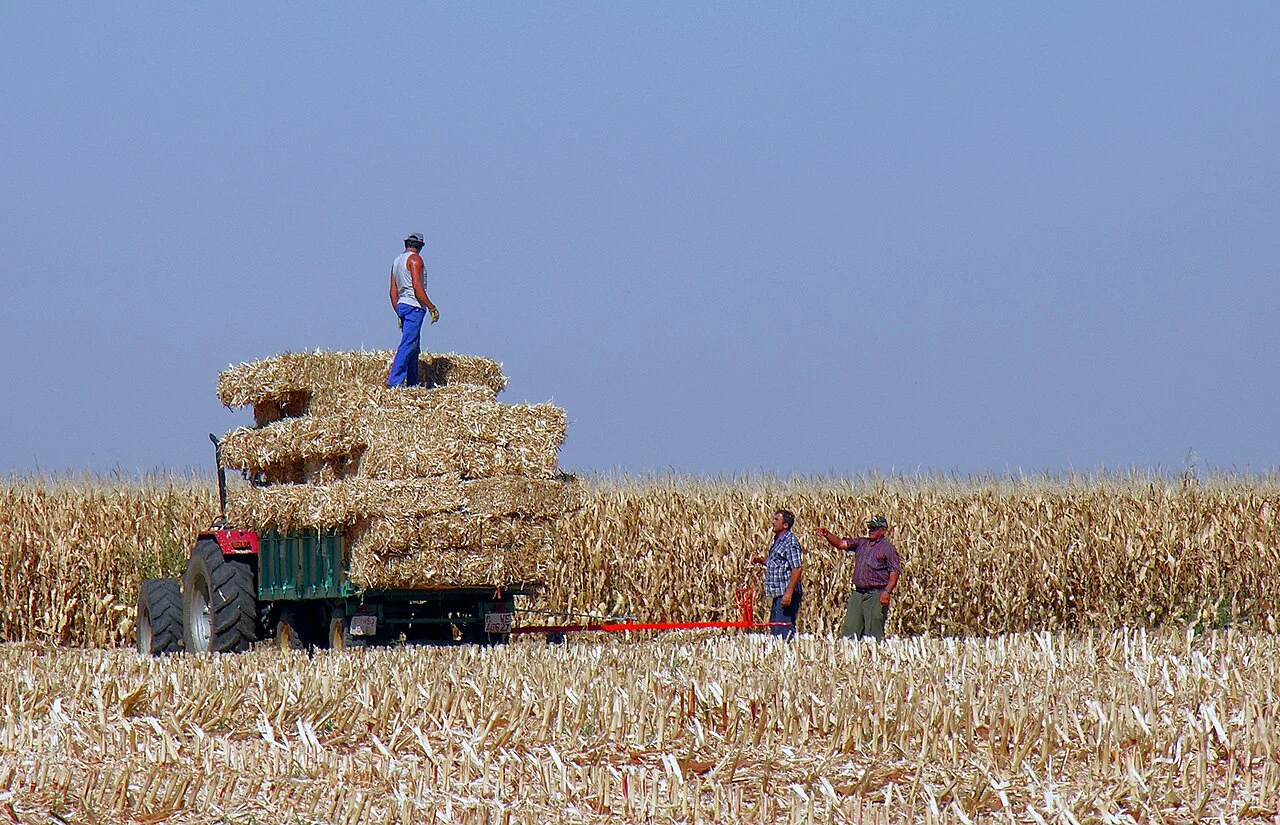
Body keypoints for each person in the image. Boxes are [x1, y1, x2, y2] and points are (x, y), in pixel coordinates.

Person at [816, 515, 900, 642]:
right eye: (870, 527)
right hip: (858, 594)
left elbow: (894, 571)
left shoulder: (888, 549)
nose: (870, 530)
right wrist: (827, 534)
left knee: (874, 632)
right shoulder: (862, 543)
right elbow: (840, 544)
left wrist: (887, 591)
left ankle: (875, 656)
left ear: (883, 530)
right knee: (850, 631)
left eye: (874, 527)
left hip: (876, 594)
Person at [387, 232, 440, 387]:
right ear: (420, 246)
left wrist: (398, 312)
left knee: (414, 348)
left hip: (402, 305)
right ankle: (394, 382)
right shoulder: (415, 260)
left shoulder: (397, 262)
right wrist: (431, 307)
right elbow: (417, 288)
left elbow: (392, 293)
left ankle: (413, 384)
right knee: (408, 344)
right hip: (414, 306)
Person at [750, 509, 803, 640]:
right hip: (777, 593)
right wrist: (761, 561)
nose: (772, 522)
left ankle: (787, 656)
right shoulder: (778, 540)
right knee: (775, 627)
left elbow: (797, 568)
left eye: (776, 520)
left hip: (785, 593)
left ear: (785, 525)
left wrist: (789, 593)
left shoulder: (790, 542)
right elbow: (776, 563)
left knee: (783, 629)